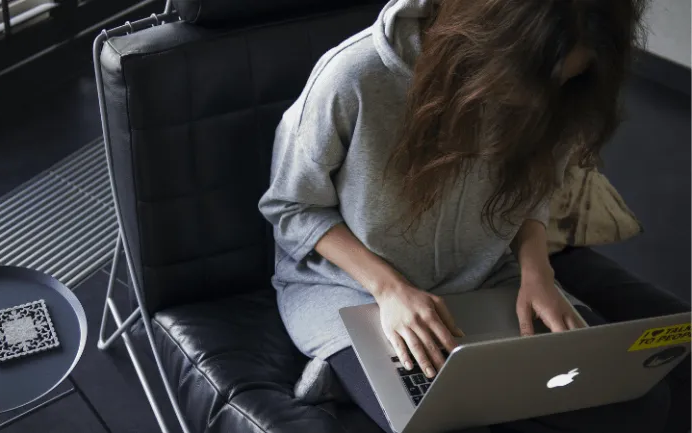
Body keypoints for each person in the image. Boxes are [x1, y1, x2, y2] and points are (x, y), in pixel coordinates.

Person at [258, 0, 689, 432]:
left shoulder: (559, 95)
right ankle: (346, 367)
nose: (541, 102)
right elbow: (291, 206)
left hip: (486, 279)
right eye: (531, 82)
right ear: (493, 40)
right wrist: (390, 290)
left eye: (564, 81)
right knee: (442, 418)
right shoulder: (354, 75)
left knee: (639, 404)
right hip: (353, 289)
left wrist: (537, 272)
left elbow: (533, 188)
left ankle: (358, 379)